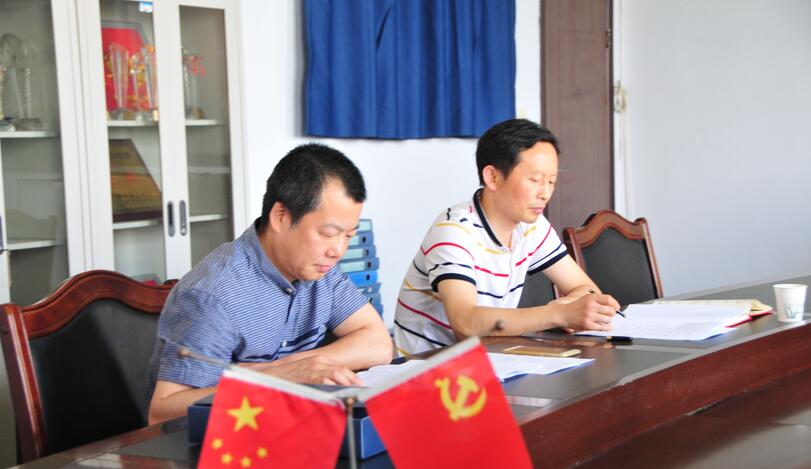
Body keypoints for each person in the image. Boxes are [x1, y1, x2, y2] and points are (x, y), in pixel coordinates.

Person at [148, 143, 392, 424]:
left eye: (349, 236)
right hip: (221, 439)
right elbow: (161, 412)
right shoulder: (214, 294)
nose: (338, 250)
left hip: (288, 424)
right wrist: (278, 378)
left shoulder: (320, 270)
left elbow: (378, 343)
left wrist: (285, 370)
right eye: (327, 234)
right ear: (281, 216)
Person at [394, 119, 620, 354]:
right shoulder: (454, 231)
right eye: (534, 180)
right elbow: (465, 323)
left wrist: (568, 308)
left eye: (551, 181)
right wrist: (558, 314)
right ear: (492, 177)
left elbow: (586, 289)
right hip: (429, 365)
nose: (545, 193)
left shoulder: (532, 225)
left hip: (491, 356)